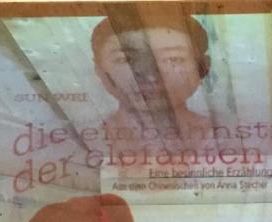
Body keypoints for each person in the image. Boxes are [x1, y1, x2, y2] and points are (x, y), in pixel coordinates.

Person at [90, 6, 213, 153]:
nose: (150, 76)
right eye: (126, 59)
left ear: (203, 67)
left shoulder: (226, 137)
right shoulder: (80, 142)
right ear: (99, 69)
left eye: (173, 59)